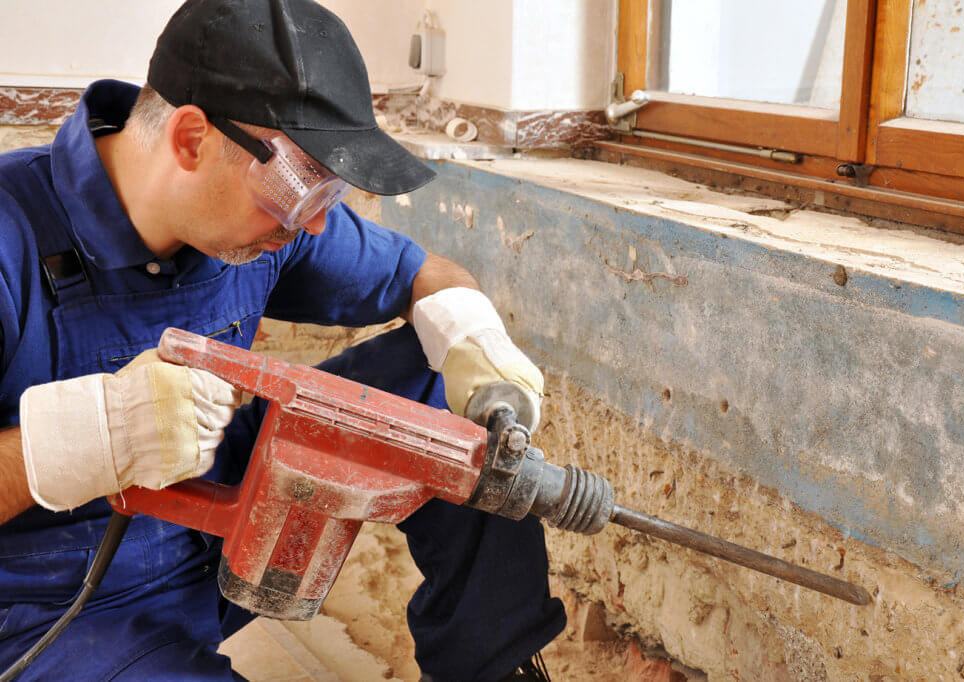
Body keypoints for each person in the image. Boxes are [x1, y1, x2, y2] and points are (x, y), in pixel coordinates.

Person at [0, 0, 566, 679]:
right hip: (59, 608)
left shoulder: (264, 227)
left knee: (442, 386)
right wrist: (92, 437)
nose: (317, 224)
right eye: (299, 184)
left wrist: (474, 336)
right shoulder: (11, 236)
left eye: (329, 190)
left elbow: (426, 275)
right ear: (189, 140)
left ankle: (494, 668)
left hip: (218, 533)